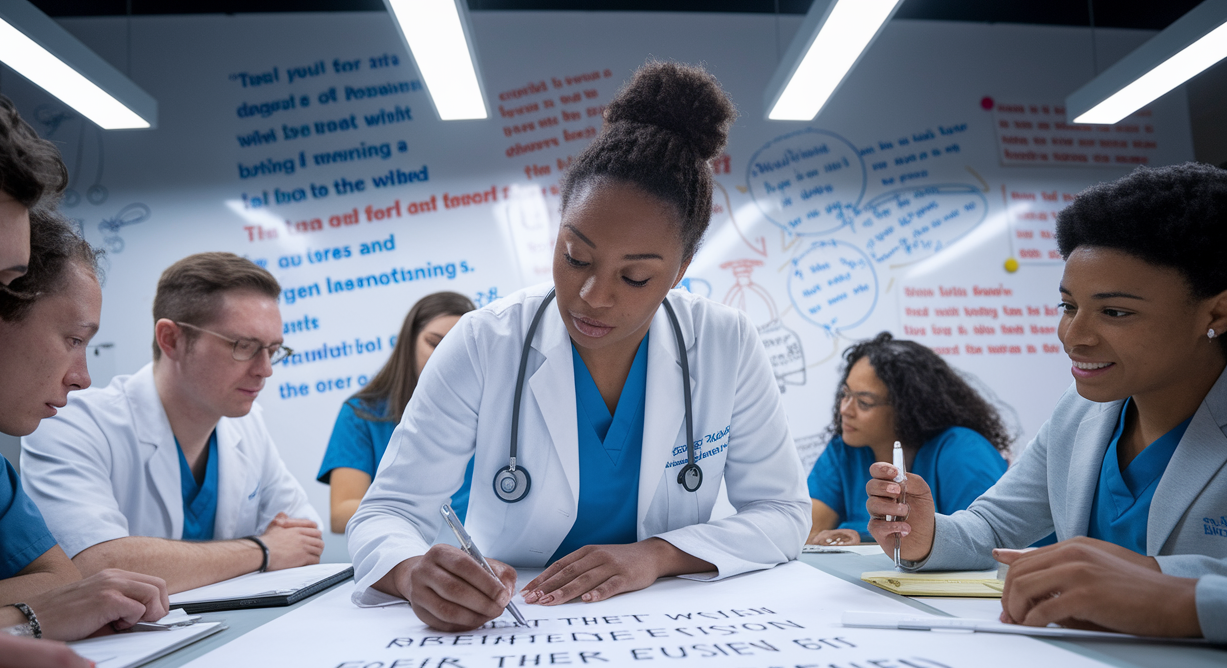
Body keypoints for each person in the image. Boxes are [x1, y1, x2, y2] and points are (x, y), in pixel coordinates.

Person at [347, 61, 809, 632]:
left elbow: (784, 514)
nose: (593, 296)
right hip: (515, 624)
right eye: (576, 257)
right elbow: (387, 511)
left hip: (669, 626)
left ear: (681, 270)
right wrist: (412, 572)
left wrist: (658, 555)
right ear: (560, 229)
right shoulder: (484, 342)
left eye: (634, 278)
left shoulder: (725, 342)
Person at [865, 162, 1227, 642]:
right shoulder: (1079, 414)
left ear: (1217, 312)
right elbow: (994, 529)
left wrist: (1174, 595)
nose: (1073, 337)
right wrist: (926, 534)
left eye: (1115, 312)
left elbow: (1167, 590)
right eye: (1068, 306)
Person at [0, 80, 152, 668]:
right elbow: (66, 591)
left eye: (1, 284)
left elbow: (60, 583)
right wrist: (27, 619)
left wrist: (32, 611)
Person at [21, 253, 325, 593]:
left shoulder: (248, 425)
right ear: (172, 339)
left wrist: (157, 560)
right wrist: (263, 549)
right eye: (244, 346)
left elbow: (305, 537)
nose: (265, 369)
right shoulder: (73, 424)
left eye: (273, 350)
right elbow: (95, 565)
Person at [0, 208, 169, 639]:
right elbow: (57, 598)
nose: (82, 378)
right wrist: (30, 617)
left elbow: (57, 580)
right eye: (73, 340)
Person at [807, 333, 1010, 545]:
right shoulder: (846, 449)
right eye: (845, 394)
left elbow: (983, 540)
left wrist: (864, 535)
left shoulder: (964, 452)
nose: (844, 410)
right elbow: (809, 531)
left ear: (907, 408)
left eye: (864, 402)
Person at [319, 291, 476, 533]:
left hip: (492, 554)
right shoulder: (361, 414)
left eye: (457, 347)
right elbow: (341, 515)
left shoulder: (489, 409)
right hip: (408, 553)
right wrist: (419, 509)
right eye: (434, 343)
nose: (444, 356)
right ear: (409, 342)